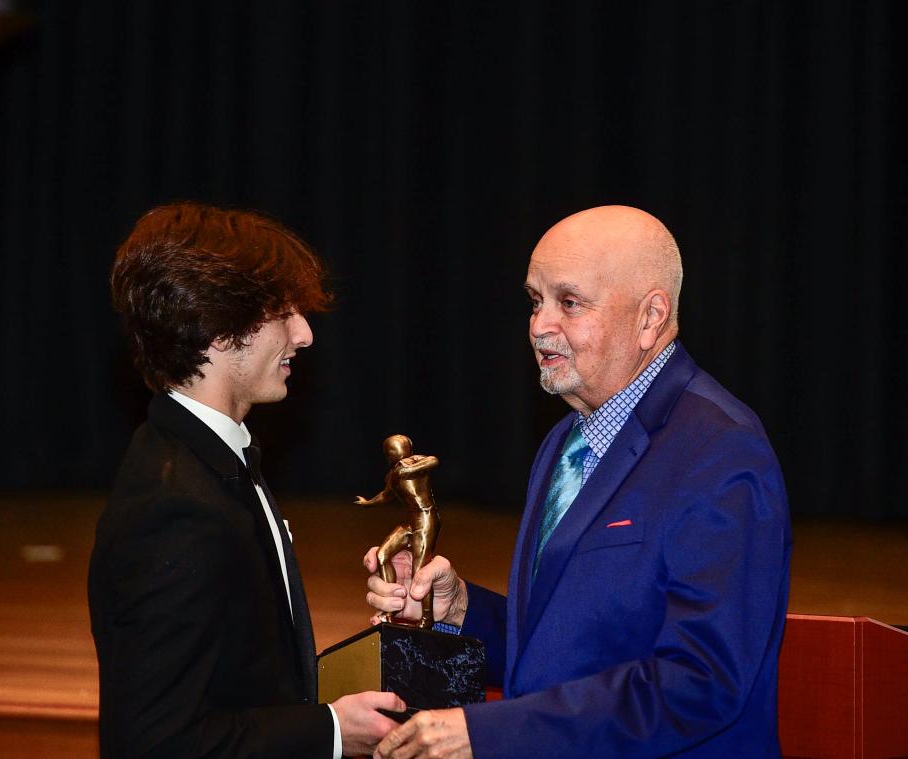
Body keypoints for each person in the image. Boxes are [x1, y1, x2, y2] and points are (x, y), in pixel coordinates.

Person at [364, 205, 791, 758]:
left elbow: (702, 683)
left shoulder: (722, 451)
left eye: (569, 303)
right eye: (535, 301)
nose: (540, 324)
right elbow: (562, 651)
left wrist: (492, 733)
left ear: (650, 317)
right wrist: (459, 609)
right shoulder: (566, 440)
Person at [88, 202, 404, 758]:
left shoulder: (209, 461)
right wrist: (330, 730)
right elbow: (155, 742)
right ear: (213, 326)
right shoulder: (176, 506)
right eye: (283, 312)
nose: (304, 335)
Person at [355, 435, 441, 628]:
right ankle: (390, 608)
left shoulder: (416, 461)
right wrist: (368, 503)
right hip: (411, 521)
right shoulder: (393, 475)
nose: (394, 453)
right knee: (383, 554)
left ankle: (427, 618)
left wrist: (408, 469)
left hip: (426, 520)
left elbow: (434, 460)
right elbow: (386, 495)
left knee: (420, 571)